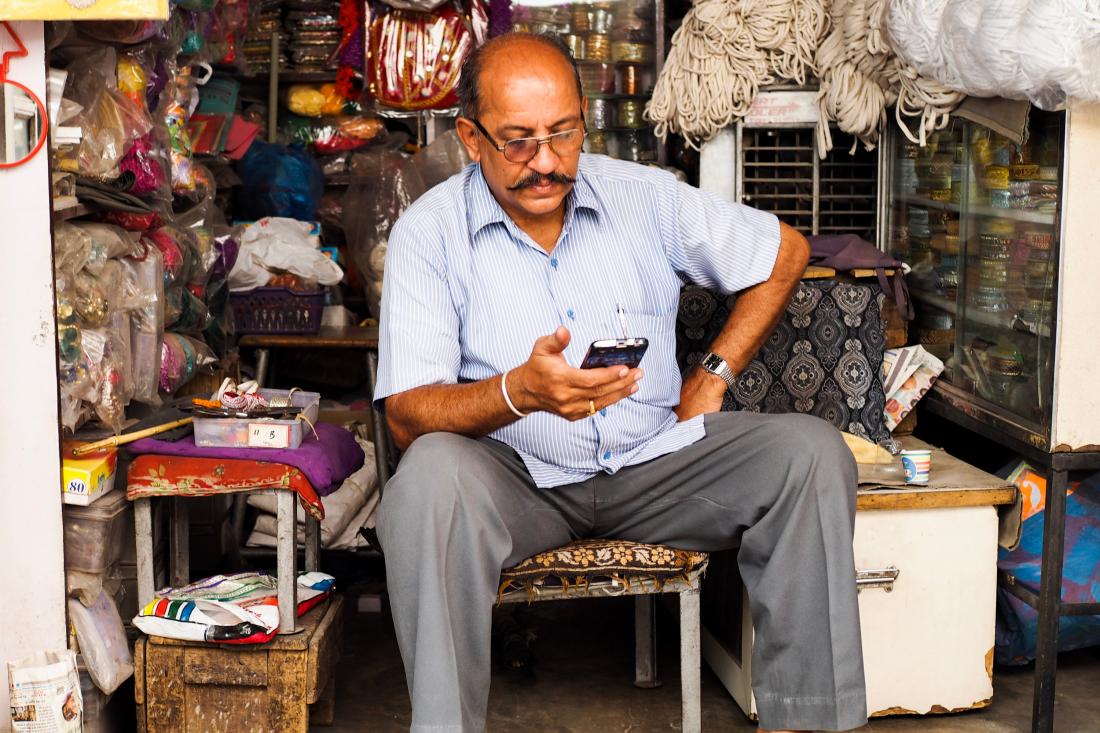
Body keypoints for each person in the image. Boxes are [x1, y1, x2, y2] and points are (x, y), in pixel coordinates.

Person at [373, 32, 867, 733]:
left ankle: (810, 722)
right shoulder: (430, 233)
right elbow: (406, 415)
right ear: (470, 138)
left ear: (584, 120)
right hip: (517, 482)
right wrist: (519, 391)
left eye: (563, 134)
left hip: (654, 465)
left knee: (811, 455)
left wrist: (713, 372)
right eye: (517, 140)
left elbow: (783, 249)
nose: (545, 163)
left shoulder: (645, 198)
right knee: (426, 479)